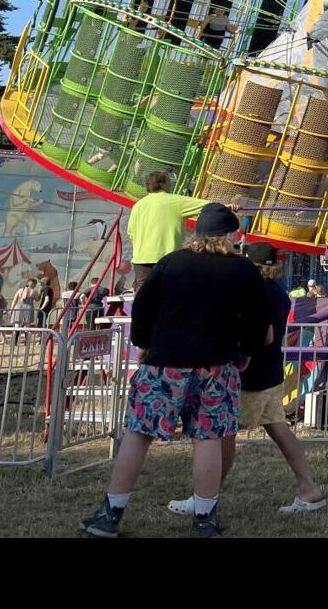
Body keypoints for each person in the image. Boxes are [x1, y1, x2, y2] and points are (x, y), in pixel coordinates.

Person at [80, 203, 268, 538]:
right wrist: (246, 353)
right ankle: (204, 519)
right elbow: (256, 321)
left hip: (164, 362)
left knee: (139, 434)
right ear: (230, 235)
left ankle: (110, 514)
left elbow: (144, 309)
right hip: (216, 365)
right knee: (207, 437)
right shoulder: (243, 270)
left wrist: (143, 343)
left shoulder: (170, 263)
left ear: (197, 232)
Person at [166, 242, 326, 516]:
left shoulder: (253, 292)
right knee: (279, 429)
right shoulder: (279, 292)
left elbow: (263, 335)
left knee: (221, 432)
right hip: (271, 373)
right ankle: (309, 488)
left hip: (249, 375)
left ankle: (205, 497)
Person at [128, 170, 212, 292]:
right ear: (162, 184)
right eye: (168, 181)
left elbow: (131, 235)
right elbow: (206, 205)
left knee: (145, 302)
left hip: (141, 262)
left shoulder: (138, 206)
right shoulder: (174, 201)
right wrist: (229, 206)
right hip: (169, 260)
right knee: (171, 298)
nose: (171, 184)